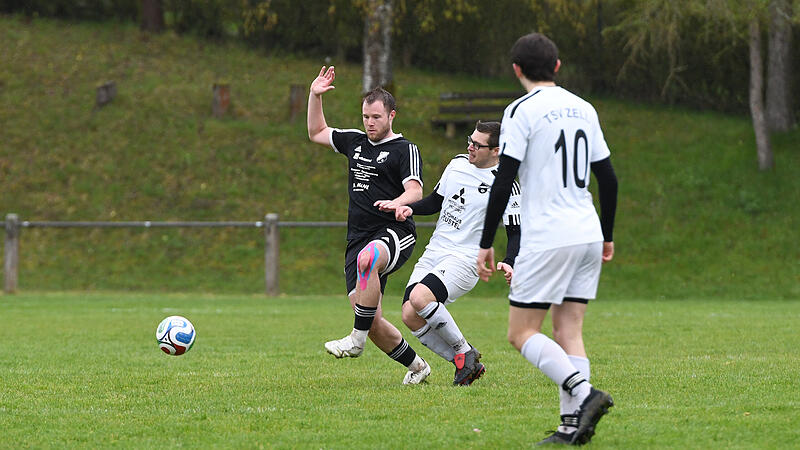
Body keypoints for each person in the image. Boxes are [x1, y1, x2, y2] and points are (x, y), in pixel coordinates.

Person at [476, 33, 618, 445]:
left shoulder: (521, 110)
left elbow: (505, 177)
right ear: (557, 67)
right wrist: (607, 234)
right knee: (568, 330)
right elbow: (606, 177)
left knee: (520, 333)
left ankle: (585, 394)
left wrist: (486, 240)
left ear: (516, 69)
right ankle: (571, 428)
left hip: (549, 235)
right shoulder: (584, 108)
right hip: (587, 230)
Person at [307, 66, 431, 384]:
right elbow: (316, 132)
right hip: (357, 237)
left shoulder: (405, 149)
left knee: (368, 259)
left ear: (391, 115)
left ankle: (355, 341)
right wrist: (314, 95)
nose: (370, 123)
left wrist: (399, 202)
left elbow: (415, 189)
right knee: (371, 320)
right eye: (365, 117)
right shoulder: (355, 142)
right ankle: (418, 367)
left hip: (394, 233)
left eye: (376, 117)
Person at [376, 121, 521, 386]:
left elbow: (515, 230)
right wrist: (409, 208)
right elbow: (435, 201)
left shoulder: (506, 182)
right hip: (436, 250)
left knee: (421, 298)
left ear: (497, 150)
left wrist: (510, 261)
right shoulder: (457, 163)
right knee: (409, 313)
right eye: (470, 140)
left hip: (466, 259)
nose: (470, 147)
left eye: (478, 145)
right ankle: (464, 363)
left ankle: (466, 353)